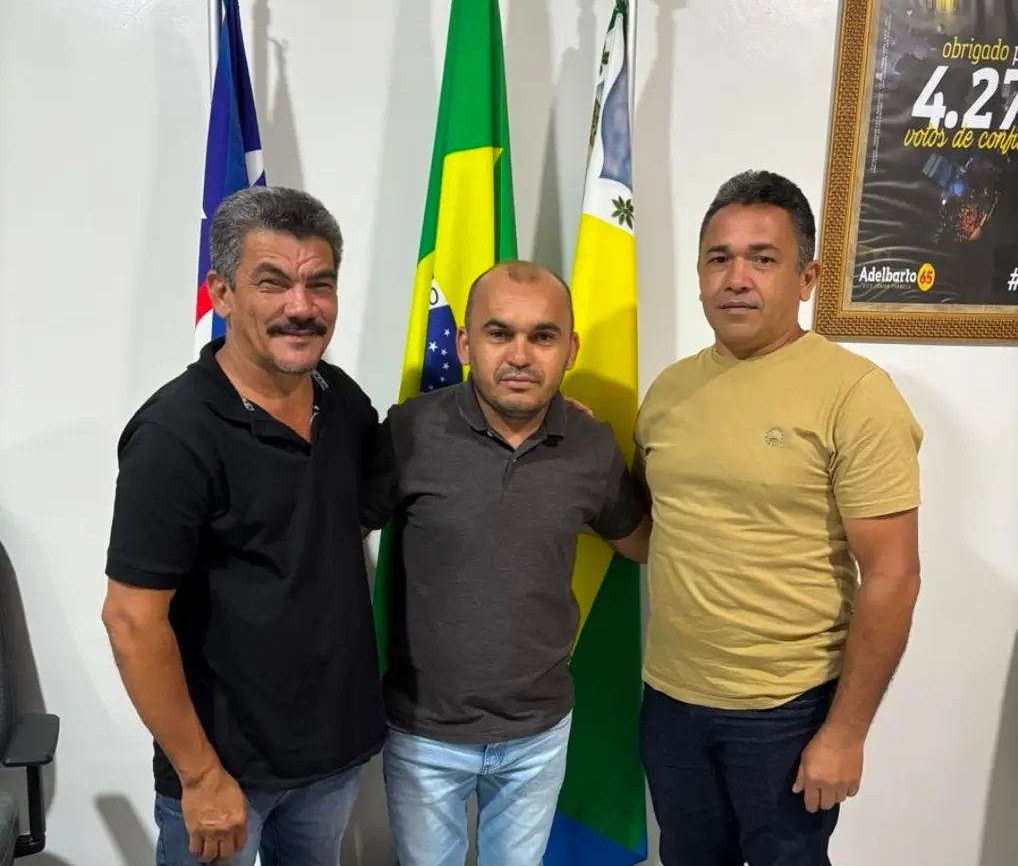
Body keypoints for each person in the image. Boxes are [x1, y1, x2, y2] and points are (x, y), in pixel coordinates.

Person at [635, 170, 923, 866]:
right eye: (719, 257)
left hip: (787, 711)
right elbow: (655, 532)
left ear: (806, 277)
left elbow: (893, 574)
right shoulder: (669, 391)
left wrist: (845, 731)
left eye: (762, 258)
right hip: (671, 700)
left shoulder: (855, 394)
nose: (737, 277)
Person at [101, 186, 391, 866]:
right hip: (224, 775)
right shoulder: (175, 434)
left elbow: (376, 496)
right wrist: (201, 776)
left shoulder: (339, 398)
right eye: (273, 282)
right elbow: (131, 620)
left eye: (320, 283)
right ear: (222, 293)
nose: (301, 305)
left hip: (331, 759)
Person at [370, 260, 651, 866]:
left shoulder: (592, 446)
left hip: (538, 734)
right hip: (424, 733)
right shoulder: (408, 430)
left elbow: (644, 543)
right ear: (467, 344)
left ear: (570, 349)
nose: (520, 354)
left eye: (542, 336)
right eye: (499, 333)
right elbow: (330, 531)